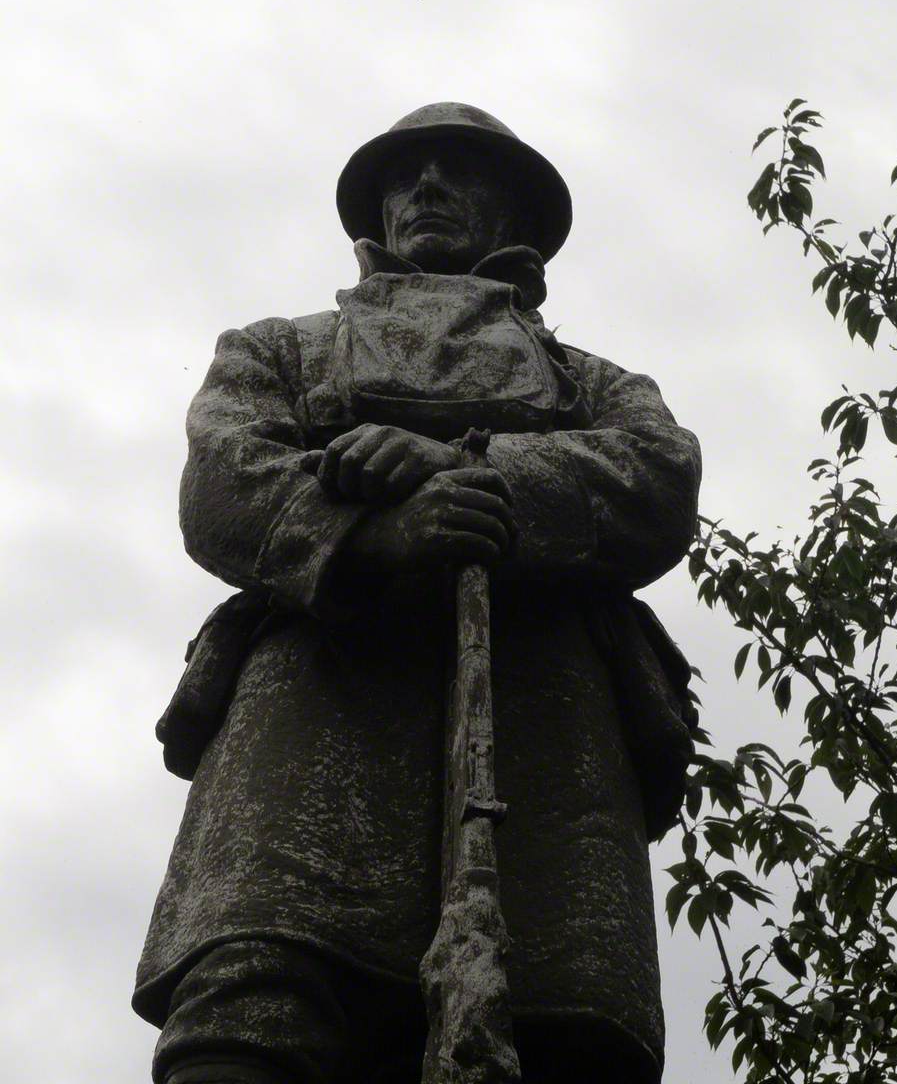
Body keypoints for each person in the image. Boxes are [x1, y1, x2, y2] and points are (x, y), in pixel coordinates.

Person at [133, 103, 702, 1084]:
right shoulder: (283, 350)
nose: (427, 186)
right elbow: (223, 481)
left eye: (460, 169)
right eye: (408, 173)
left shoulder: (593, 382)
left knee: (561, 1032)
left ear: (513, 211)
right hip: (313, 712)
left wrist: (471, 472)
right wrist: (379, 536)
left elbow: (657, 475)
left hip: (547, 729)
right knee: (253, 1009)